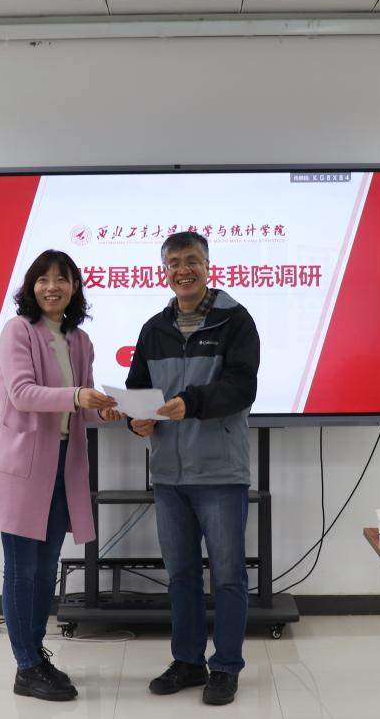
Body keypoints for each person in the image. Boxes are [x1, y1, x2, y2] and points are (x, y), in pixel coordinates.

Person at [126, 231, 261, 706]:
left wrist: (192, 403)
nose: (182, 270)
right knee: (181, 574)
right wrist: (134, 421)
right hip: (168, 475)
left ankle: (225, 667)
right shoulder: (153, 328)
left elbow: (241, 387)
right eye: (174, 263)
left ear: (208, 266)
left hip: (221, 473)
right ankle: (187, 661)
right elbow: (137, 391)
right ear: (164, 270)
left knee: (228, 576)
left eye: (192, 261)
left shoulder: (235, 321)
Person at [0, 250, 121, 702]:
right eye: (42, 279)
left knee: (46, 572)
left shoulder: (79, 340)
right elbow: (23, 393)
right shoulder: (17, 331)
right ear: (31, 286)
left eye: (61, 279)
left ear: (74, 287)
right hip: (24, 468)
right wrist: (79, 395)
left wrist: (111, 409)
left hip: (64, 466)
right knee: (21, 572)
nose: (52, 287)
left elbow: (81, 408)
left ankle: (36, 656)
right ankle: (25, 665)